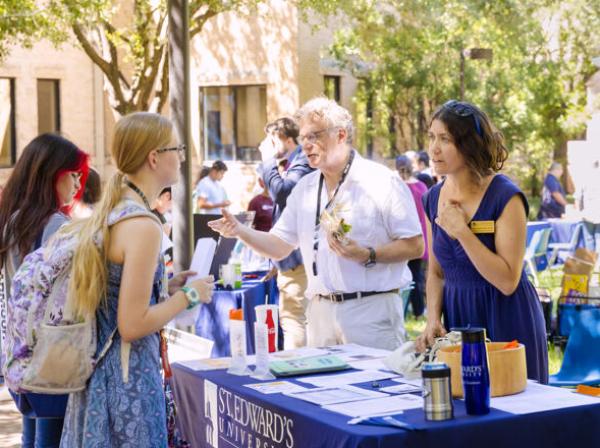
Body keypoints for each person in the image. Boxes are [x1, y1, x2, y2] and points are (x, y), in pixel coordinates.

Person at [210, 98, 423, 350]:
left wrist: (369, 254)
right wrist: (240, 231)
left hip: (371, 313)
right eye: (303, 138)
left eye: (314, 136)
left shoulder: (381, 182)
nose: (306, 145)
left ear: (341, 135)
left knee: (373, 389)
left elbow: (415, 246)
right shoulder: (306, 188)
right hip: (320, 315)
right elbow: (279, 246)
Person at [59, 112, 214, 446]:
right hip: (127, 383)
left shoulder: (115, 213)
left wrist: (165, 288)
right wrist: (188, 294)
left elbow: (115, 295)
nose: (183, 157)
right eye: (178, 149)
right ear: (154, 158)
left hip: (100, 377)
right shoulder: (143, 225)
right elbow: (132, 323)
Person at [415, 99, 548, 384]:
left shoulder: (505, 196)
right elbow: (436, 273)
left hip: (506, 314)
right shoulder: (432, 199)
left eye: (445, 139)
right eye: (432, 137)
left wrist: (463, 232)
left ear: (469, 144)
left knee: (515, 414)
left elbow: (507, 280)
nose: (434, 148)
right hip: (459, 316)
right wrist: (432, 319)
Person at [0, 133, 89, 448]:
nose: (78, 184)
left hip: (21, 351)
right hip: (54, 353)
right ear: (53, 174)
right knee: (50, 438)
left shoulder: (13, 220)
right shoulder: (57, 226)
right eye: (74, 174)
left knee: (32, 435)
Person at [258, 117, 314, 349]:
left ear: (286, 139)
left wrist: (267, 159)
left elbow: (282, 194)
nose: (266, 145)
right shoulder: (294, 162)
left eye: (271, 140)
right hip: (289, 257)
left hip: (299, 261)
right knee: (294, 320)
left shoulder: (302, 161)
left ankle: (298, 374)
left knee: (294, 321)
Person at [395, 155, 428, 317]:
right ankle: (419, 310)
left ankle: (410, 309)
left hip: (405, 238)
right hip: (422, 237)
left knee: (407, 277)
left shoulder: (399, 187)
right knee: (418, 276)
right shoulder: (422, 186)